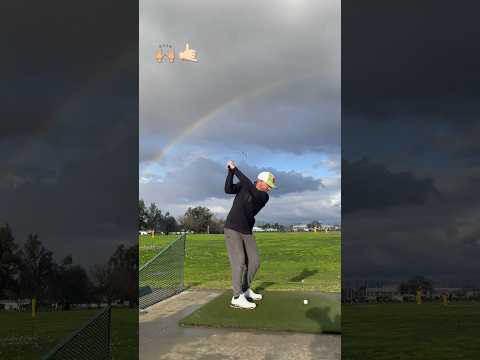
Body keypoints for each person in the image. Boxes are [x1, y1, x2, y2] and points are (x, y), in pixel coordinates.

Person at [224, 160, 276, 309]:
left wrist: (236, 170)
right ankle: (236, 296)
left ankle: (245, 289)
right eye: (269, 185)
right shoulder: (245, 185)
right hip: (232, 228)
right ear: (260, 182)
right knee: (239, 260)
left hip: (246, 230)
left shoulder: (263, 196)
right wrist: (230, 172)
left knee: (254, 261)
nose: (270, 189)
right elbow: (228, 189)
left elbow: (248, 186)